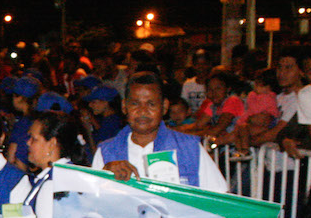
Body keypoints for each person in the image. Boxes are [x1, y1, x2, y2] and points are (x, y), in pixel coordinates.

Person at [93, 71, 228, 193]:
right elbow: (92, 204)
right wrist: (105, 177)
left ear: (164, 107)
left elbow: (220, 198)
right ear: (124, 106)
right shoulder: (106, 152)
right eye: (135, 103)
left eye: (151, 104)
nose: (143, 111)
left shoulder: (190, 148)